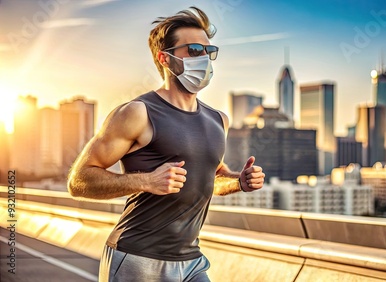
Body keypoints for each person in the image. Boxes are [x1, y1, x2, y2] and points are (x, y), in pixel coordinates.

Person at [67, 6, 265, 282]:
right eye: (195, 51)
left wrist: (238, 181)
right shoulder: (137, 113)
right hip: (137, 258)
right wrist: (146, 181)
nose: (205, 60)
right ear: (165, 58)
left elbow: (212, 177)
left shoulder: (219, 120)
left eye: (209, 52)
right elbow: (79, 181)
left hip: (192, 261)